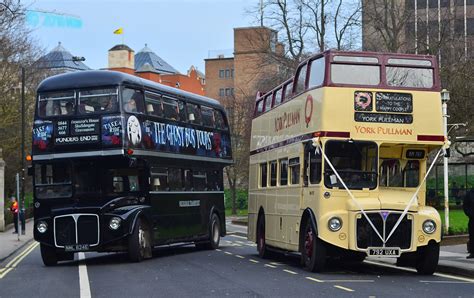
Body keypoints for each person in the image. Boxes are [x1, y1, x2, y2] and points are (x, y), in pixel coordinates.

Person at [463, 189, 474, 258]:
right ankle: (473, 252)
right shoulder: (469, 193)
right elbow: (465, 205)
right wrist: (470, 214)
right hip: (473, 218)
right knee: (472, 235)